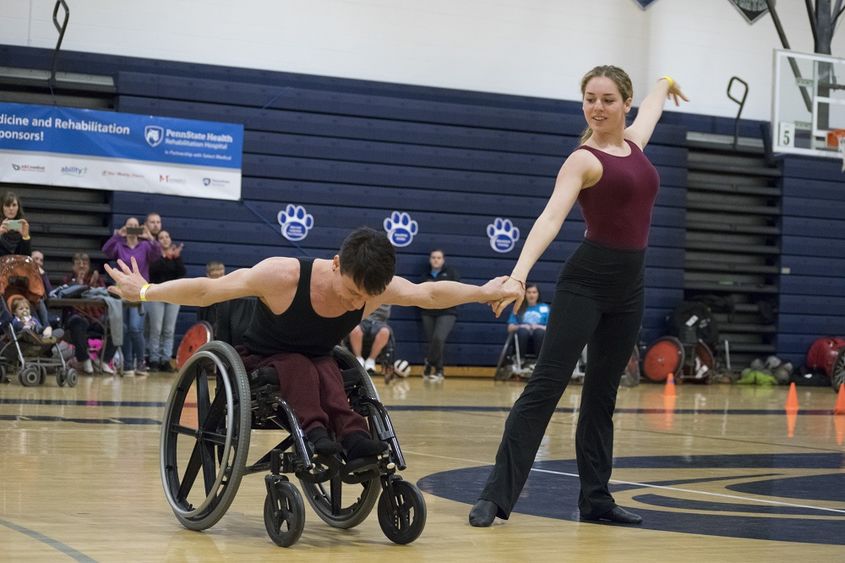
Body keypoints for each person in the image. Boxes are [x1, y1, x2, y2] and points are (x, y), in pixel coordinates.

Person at [469, 67, 689, 527]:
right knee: (545, 387)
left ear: (623, 103)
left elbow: (651, 109)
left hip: (630, 289)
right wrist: (518, 274)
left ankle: (597, 501)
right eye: (590, 98)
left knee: (602, 396)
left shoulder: (634, 144)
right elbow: (550, 218)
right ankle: (496, 495)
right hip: (584, 283)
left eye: (607, 99)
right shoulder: (583, 160)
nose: (597, 107)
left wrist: (664, 83)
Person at [106, 227, 507, 461]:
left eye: (364, 298)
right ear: (336, 264)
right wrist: (144, 291)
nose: (356, 303)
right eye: (351, 292)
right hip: (260, 359)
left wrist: (483, 291)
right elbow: (208, 290)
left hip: (316, 359)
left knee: (331, 370)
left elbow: (429, 294)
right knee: (300, 365)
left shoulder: (374, 290)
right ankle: (315, 435)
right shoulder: (282, 277)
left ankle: (353, 436)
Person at [102, 217, 160, 376]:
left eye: (136, 226)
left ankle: (140, 362)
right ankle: (128, 364)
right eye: (130, 226)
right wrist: (116, 236)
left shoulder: (145, 245)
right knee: (125, 328)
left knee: (135, 327)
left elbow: (157, 255)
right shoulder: (120, 245)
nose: (133, 228)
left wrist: (151, 238)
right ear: (125, 228)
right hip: (122, 290)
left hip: (140, 289)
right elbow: (106, 251)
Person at [147, 230, 186, 372]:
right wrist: (164, 257)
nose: (164, 239)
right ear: (158, 241)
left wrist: (176, 258)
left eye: (167, 236)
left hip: (174, 295)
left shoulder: (175, 255)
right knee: (156, 329)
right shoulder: (154, 254)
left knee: (169, 330)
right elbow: (153, 272)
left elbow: (181, 273)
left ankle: (166, 359)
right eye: (161, 237)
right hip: (157, 294)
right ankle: (154, 360)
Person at [419, 249, 459, 382]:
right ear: (430, 259)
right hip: (428, 312)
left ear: (443, 260)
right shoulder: (424, 276)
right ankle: (439, 371)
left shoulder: (451, 273)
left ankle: (429, 363)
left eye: (439, 257)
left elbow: (457, 292)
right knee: (434, 343)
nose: (436, 260)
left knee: (438, 338)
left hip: (447, 312)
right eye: (433, 257)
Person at [506, 283, 549, 357]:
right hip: (522, 335)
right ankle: (521, 360)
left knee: (539, 332)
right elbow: (510, 328)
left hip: (540, 334)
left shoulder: (545, 308)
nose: (531, 295)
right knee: (523, 331)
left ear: (538, 294)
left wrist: (539, 327)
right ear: (525, 294)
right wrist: (521, 326)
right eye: (529, 292)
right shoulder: (518, 307)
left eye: (534, 292)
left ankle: (539, 361)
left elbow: (551, 328)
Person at [349, 303, 392, 373]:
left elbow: (385, 314)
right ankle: (358, 358)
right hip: (362, 320)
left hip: (380, 322)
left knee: (385, 332)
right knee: (354, 329)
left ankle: (371, 360)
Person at [0, 192, 32, 257]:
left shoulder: (23, 226)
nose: (11, 208)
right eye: (7, 205)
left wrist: (25, 237)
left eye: (14, 205)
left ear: (18, 207)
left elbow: (26, 257)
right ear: (2, 208)